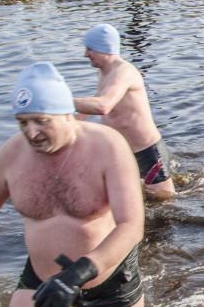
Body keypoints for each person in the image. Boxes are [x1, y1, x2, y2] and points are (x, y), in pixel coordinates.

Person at [0, 63, 147, 307]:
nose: (32, 133)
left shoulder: (108, 146)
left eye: (42, 121)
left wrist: (76, 275)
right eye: (23, 123)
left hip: (107, 274)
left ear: (68, 113)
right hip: (43, 279)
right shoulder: (11, 154)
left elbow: (131, 226)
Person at [73, 24, 176, 199]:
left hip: (147, 152)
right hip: (122, 151)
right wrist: (72, 120)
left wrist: (58, 101)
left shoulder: (123, 71)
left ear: (103, 48)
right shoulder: (103, 72)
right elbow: (96, 100)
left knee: (164, 204)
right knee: (126, 198)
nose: (85, 54)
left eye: (89, 49)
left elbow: (103, 106)